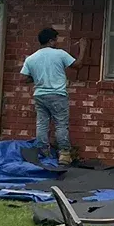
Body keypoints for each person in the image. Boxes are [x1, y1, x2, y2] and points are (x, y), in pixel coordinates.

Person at [20, 27, 85, 165]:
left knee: (42, 124)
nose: (57, 42)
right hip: (57, 95)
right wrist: (83, 48)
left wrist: (38, 78)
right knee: (61, 125)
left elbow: (23, 78)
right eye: (56, 40)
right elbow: (78, 65)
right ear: (50, 41)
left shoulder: (31, 58)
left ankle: (44, 153)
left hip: (40, 96)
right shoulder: (60, 54)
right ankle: (64, 155)